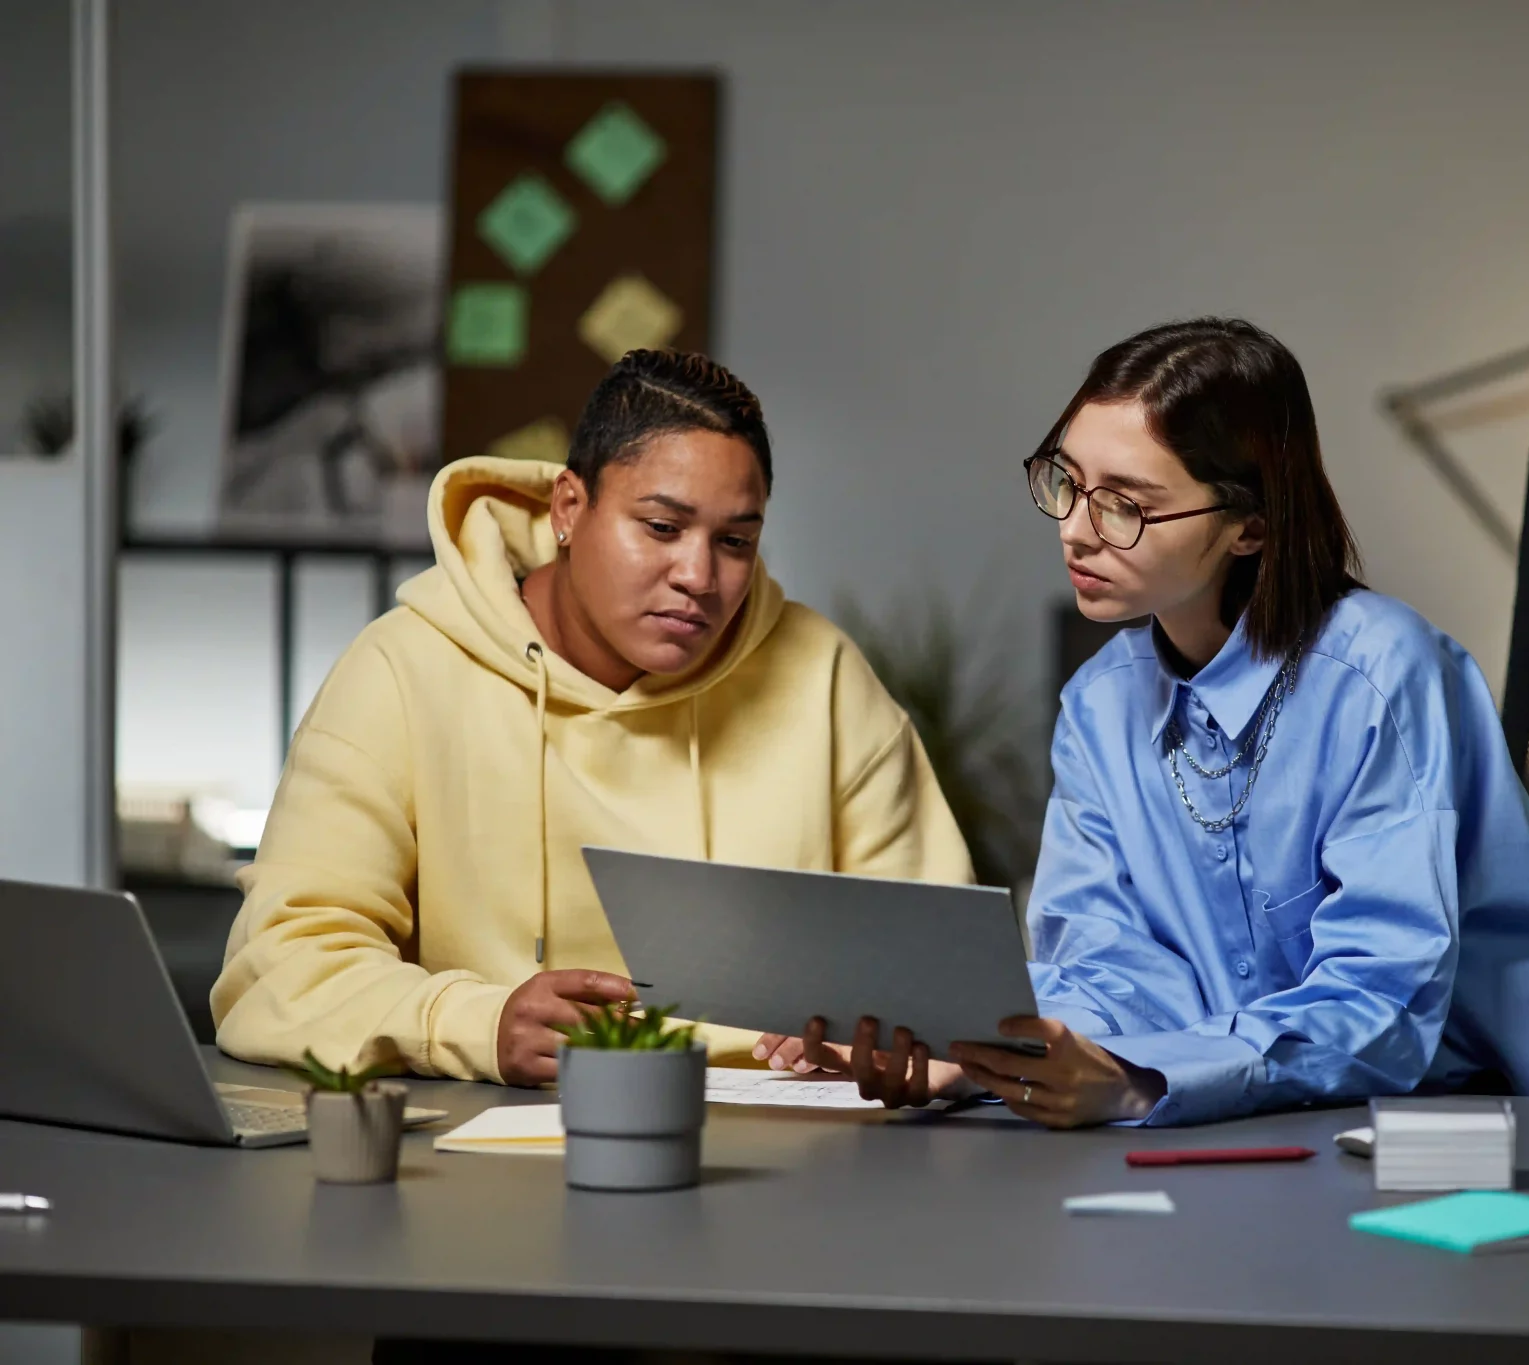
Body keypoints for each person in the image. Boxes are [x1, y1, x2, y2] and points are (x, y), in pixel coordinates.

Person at [764, 317, 1529, 1125]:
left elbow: (1379, 1007)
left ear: (1249, 526)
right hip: (1238, 1129)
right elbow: (1103, 968)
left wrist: (1137, 1081)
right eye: (1066, 481)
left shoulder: (1383, 675)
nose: (1075, 530)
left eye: (1126, 504)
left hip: (1472, 1125)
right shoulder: (1099, 704)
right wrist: (975, 1053)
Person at [212, 349, 972, 1086]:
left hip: (783, 1163)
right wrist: (477, 1022)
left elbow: (946, 976)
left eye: (735, 541)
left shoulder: (823, 677)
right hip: (481, 1158)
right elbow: (279, 971)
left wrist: (881, 1038)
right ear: (569, 507)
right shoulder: (402, 670)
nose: (699, 577)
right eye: (662, 528)